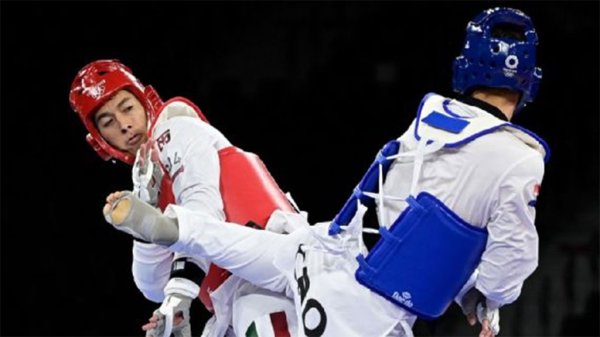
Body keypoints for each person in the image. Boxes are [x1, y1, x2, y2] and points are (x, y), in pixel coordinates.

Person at [102, 7, 550, 337]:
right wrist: (487, 292)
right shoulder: (518, 158)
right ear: (530, 81)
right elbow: (511, 261)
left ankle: (174, 227)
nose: (122, 123)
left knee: (244, 243)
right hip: (360, 311)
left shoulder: (428, 117)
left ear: (464, 67)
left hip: (319, 249)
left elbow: (418, 219)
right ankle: (174, 229)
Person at [69, 59, 301, 337]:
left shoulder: (175, 128)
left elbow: (202, 206)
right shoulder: (147, 182)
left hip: (276, 268)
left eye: (127, 108)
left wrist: (180, 293)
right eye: (108, 122)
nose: (124, 125)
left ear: (145, 103)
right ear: (100, 141)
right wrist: (145, 223)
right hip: (233, 302)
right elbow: (153, 287)